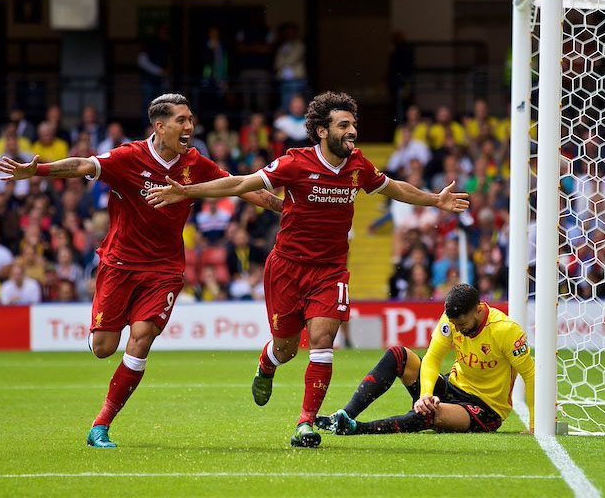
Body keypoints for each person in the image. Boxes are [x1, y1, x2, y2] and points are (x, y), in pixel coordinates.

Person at [146, 91, 470, 448]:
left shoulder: (358, 165)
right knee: (285, 349)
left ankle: (305, 423)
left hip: (330, 271)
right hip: (286, 268)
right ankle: (267, 364)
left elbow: (393, 188)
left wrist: (434, 199)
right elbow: (240, 183)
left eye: (354, 125)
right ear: (321, 130)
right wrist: (186, 191)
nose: (352, 132)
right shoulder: (294, 164)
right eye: (343, 125)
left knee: (321, 341)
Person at [0, 92, 282, 448]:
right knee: (103, 347)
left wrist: (286, 209)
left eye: (191, 119)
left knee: (142, 339)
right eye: (182, 120)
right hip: (119, 264)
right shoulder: (128, 157)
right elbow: (84, 166)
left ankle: (101, 425)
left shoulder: (195, 163)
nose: (189, 127)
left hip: (164, 269)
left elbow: (241, 188)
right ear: (160, 127)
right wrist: (36, 170)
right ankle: (102, 334)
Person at [316, 283, 534, 436]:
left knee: (428, 415)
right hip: (453, 386)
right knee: (398, 354)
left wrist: (536, 424)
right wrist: (426, 394)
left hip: (485, 408)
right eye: (455, 325)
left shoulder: (505, 330)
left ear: (478, 310)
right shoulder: (451, 320)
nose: (458, 329)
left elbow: (531, 374)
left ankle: (356, 428)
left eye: (462, 324)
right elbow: (432, 358)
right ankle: (344, 415)